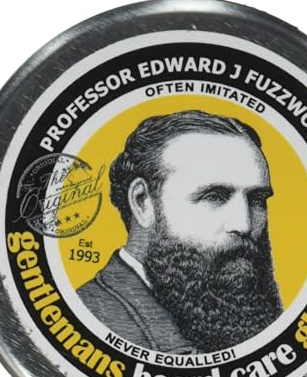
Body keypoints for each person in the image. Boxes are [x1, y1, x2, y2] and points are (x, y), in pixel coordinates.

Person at [77, 110, 283, 354]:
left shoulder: (241, 318)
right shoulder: (89, 319)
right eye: (214, 196)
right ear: (142, 202)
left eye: (257, 200)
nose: (245, 224)